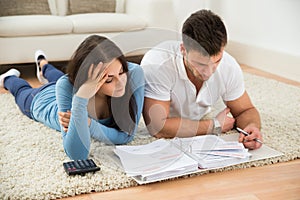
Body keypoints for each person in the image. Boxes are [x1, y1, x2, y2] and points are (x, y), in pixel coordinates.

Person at [0, 35, 145, 159]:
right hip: (42, 100)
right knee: (21, 90)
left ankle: (43, 65)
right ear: (86, 80)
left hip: (67, 85)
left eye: (121, 72)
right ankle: (8, 78)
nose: (121, 84)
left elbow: (127, 135)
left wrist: (89, 123)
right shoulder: (67, 86)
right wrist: (81, 98)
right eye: (108, 79)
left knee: (57, 77)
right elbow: (77, 154)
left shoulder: (134, 73)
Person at [140, 9, 262, 150]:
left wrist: (252, 128)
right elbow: (158, 128)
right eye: (201, 64)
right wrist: (213, 125)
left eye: (217, 61)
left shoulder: (228, 65)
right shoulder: (157, 65)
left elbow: (245, 110)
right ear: (183, 49)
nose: (209, 72)